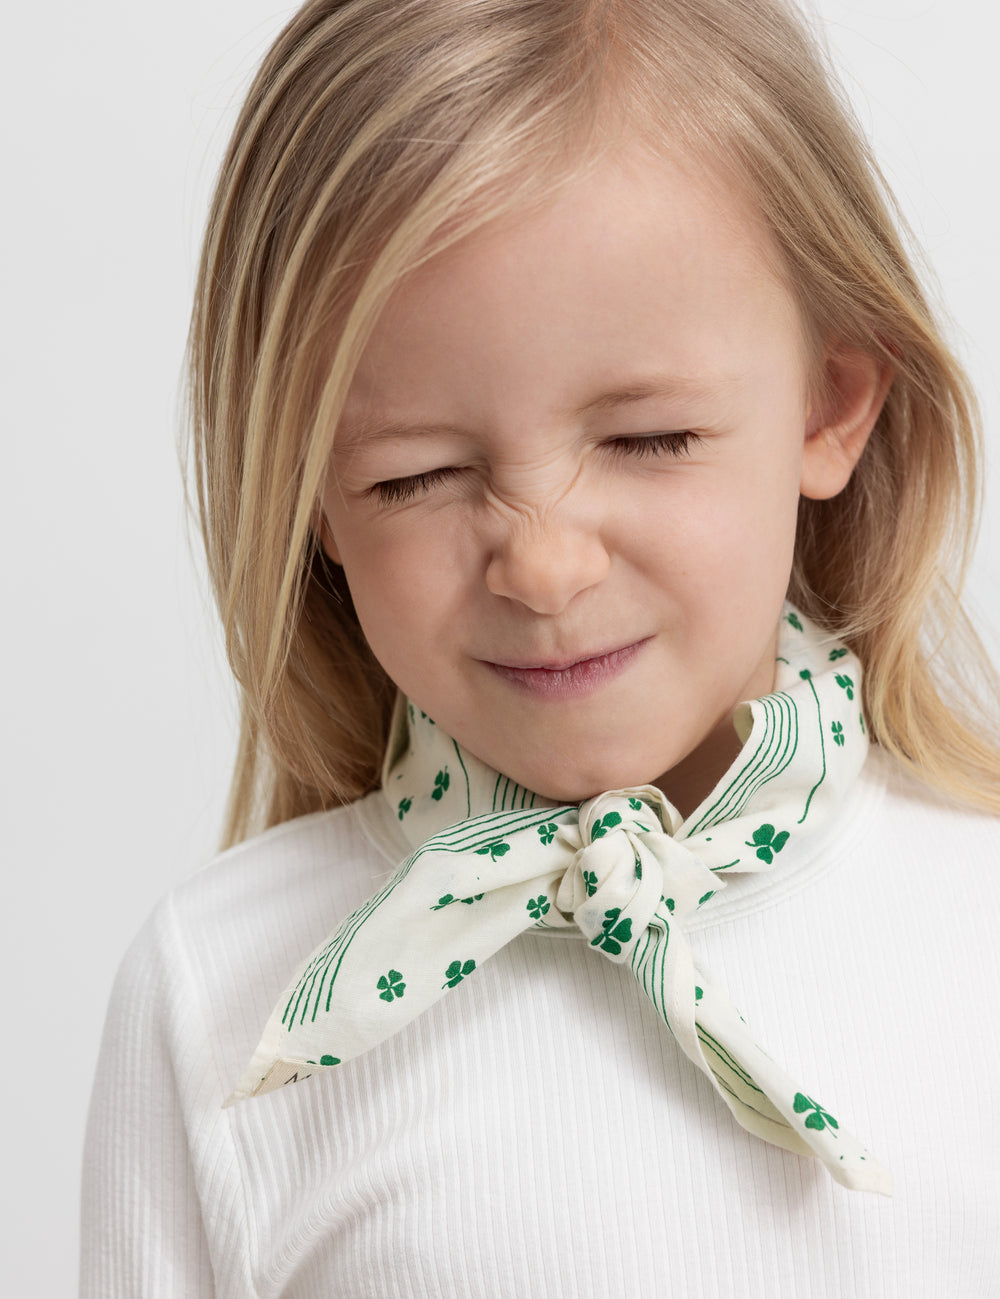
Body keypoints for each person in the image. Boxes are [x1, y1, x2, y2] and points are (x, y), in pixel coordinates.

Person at [80, 0, 1000, 1294]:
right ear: (310, 500)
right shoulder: (224, 994)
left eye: (648, 441)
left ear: (832, 404)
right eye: (418, 475)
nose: (546, 566)